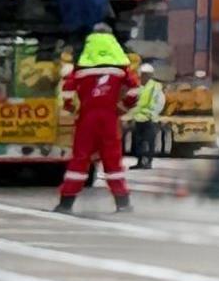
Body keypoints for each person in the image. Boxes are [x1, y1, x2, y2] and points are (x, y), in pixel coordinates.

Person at [54, 25, 139, 214]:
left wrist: (73, 108)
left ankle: (65, 203)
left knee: (80, 159)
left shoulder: (81, 69)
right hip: (109, 117)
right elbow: (134, 90)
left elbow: (67, 93)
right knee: (112, 160)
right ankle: (122, 202)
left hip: (87, 117)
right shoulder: (121, 69)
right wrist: (122, 107)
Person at [127, 62, 166, 170]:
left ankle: (148, 162)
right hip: (138, 118)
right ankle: (140, 162)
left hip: (150, 119)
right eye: (143, 74)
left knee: (149, 141)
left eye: (146, 74)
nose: (144, 76)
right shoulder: (138, 86)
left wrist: (152, 114)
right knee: (138, 142)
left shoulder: (155, 87)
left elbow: (160, 102)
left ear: (151, 75)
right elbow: (133, 100)